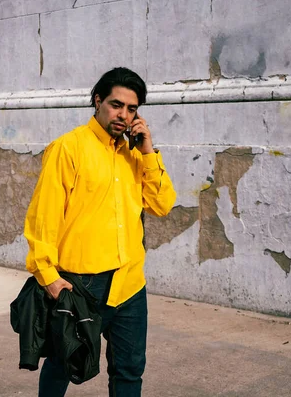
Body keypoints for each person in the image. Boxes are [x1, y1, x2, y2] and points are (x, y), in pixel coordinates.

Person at [23, 67, 176, 396]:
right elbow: (43, 217)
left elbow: (162, 204)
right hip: (81, 285)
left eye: (132, 109)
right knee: (63, 366)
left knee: (129, 370)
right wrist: (47, 275)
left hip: (130, 283)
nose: (123, 115)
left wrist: (148, 151)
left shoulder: (136, 155)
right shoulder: (69, 148)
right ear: (97, 101)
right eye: (116, 104)